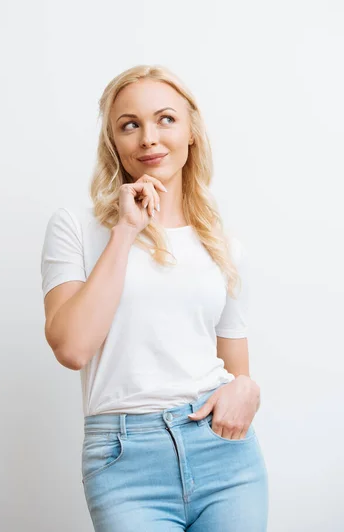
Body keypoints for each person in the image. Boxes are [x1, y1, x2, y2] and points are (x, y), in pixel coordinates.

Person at [40, 64, 269, 531]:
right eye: (130, 125)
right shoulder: (77, 228)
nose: (148, 137)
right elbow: (72, 347)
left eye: (166, 119)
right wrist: (126, 231)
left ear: (191, 134)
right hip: (125, 460)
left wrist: (246, 388)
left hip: (225, 456)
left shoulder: (222, 246)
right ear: (114, 144)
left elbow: (236, 370)